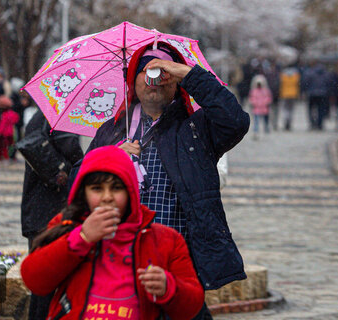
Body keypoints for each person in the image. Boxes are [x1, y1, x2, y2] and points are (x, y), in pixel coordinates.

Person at [83, 41, 250, 319]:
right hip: (121, 261)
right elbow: (79, 182)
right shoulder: (112, 131)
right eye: (146, 71)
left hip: (180, 263)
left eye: (163, 73)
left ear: (176, 82)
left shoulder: (196, 127)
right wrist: (107, 159)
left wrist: (188, 72)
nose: (154, 79)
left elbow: (236, 121)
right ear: (132, 81)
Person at [21, 145, 204, 320]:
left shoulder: (164, 239)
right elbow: (34, 279)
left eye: (116, 188)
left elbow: (192, 306)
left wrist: (169, 288)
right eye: (97, 189)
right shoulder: (68, 226)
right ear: (83, 192)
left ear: (131, 190)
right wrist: (82, 238)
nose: (107, 197)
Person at [21, 111, 83, 320]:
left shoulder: (41, 116)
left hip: (37, 209)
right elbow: (69, 146)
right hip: (51, 209)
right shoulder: (60, 116)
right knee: (49, 283)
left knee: (42, 286)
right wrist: (87, 162)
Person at [249, 74, 272, 140]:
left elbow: (268, 98)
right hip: (257, 108)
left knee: (265, 121)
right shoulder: (254, 91)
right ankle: (256, 131)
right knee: (256, 121)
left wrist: (265, 103)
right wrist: (256, 103)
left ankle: (266, 130)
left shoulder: (266, 90)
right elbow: (252, 98)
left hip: (264, 108)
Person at [0, 96, 19, 161]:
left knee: (2, 147)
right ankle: (12, 156)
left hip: (4, 134)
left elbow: (2, 125)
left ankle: (3, 157)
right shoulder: (13, 114)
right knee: (11, 145)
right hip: (11, 133)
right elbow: (16, 120)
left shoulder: (4, 115)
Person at [279, 66, 301, 131]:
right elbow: (298, 84)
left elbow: (280, 84)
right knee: (291, 110)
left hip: (284, 94)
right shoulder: (296, 76)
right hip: (293, 95)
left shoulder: (283, 76)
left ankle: (286, 122)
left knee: (285, 109)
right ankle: (289, 123)